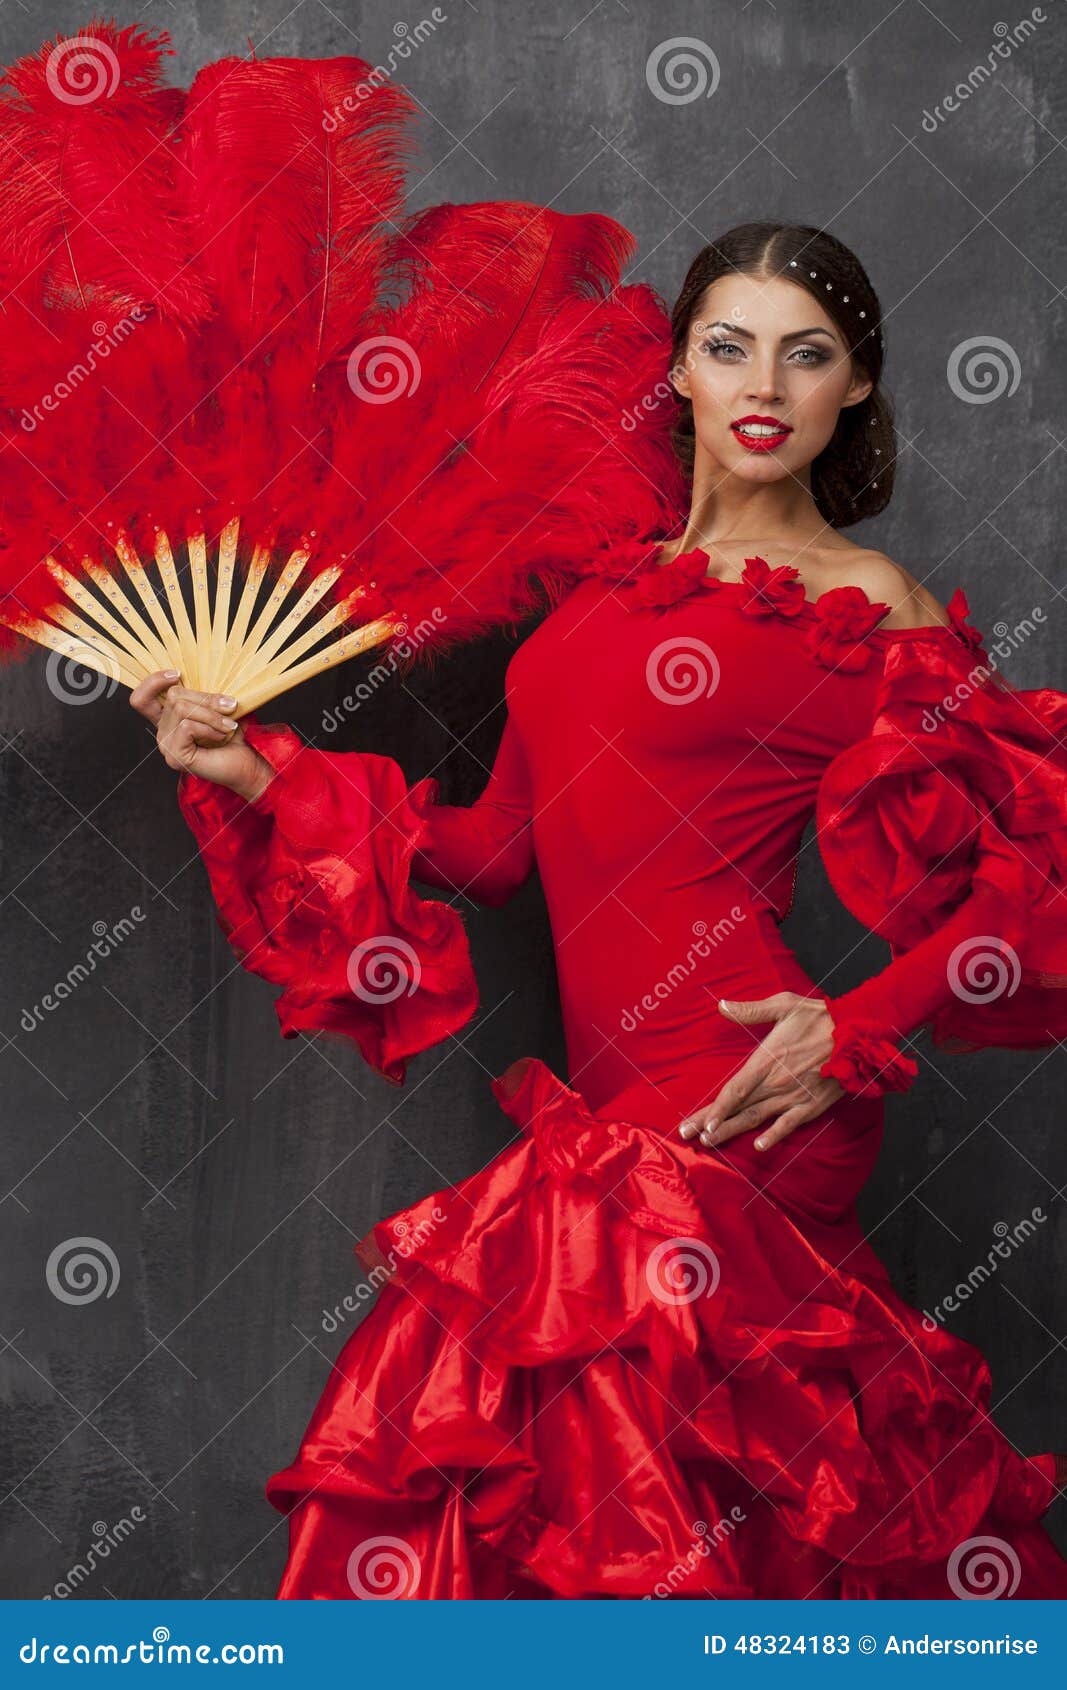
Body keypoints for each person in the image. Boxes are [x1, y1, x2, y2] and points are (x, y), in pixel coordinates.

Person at [131, 222, 1067, 1600]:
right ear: (680, 369)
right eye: (729, 345)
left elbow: (1040, 869)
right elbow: (502, 848)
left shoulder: (867, 608)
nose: (765, 383)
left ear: (855, 387)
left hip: (740, 1101)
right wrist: (260, 765)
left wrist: (849, 1025)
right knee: (611, 1500)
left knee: (513, 1431)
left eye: (807, 355)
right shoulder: (589, 595)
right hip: (618, 1102)